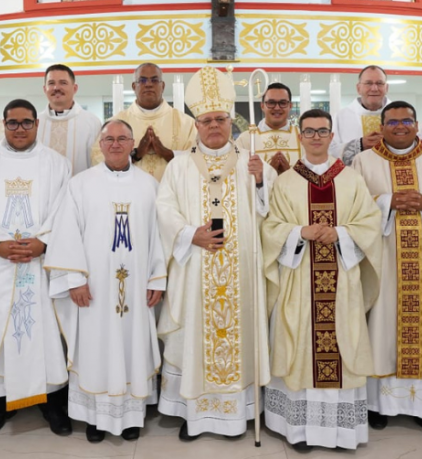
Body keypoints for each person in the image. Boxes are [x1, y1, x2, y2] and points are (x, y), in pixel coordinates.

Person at [156, 66, 276, 441]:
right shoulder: (178, 165)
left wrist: (260, 181)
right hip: (196, 268)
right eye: (206, 119)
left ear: (231, 121)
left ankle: (237, 415)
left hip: (240, 269)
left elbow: (268, 212)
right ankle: (197, 415)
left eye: (220, 119)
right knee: (195, 337)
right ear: (196, 124)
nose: (213, 126)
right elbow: (164, 210)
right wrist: (191, 234)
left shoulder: (251, 161)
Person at [262, 109, 382, 451]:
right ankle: (298, 430)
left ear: (332, 137)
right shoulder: (285, 181)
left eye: (322, 131)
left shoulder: (351, 179)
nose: (316, 137)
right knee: (299, 343)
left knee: (342, 343)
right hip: (299, 280)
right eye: (310, 131)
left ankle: (340, 433)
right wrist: (300, 231)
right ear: (300, 136)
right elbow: (269, 228)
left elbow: (370, 224)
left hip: (341, 282)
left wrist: (341, 233)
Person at [0, 99, 73, 436]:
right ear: (2, 125)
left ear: (37, 124)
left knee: (44, 332)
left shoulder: (56, 163)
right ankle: (0, 401)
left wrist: (43, 242)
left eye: (26, 123)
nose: (19, 129)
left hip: (40, 261)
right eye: (12, 123)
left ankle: (51, 400)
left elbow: (65, 209)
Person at [350, 101, 422, 430]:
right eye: (393, 122)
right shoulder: (363, 161)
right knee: (382, 327)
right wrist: (386, 203)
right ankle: (379, 405)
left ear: (417, 125)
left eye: (407, 121)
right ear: (381, 126)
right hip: (384, 264)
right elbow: (352, 207)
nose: (400, 127)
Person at [46, 119, 166, 443]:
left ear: (132, 144)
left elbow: (159, 236)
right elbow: (67, 234)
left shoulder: (149, 185)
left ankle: (130, 418)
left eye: (122, 138)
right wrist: (73, 279)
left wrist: (157, 278)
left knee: (132, 345)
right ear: (100, 145)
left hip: (137, 285)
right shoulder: (80, 184)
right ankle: (95, 419)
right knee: (95, 347)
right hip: (94, 288)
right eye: (109, 139)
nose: (115, 144)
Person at [92, 63, 197, 181]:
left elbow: (199, 158)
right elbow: (97, 159)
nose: (148, 85)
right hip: (129, 196)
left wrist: (168, 153)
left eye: (154, 80)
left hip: (174, 195)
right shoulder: (114, 124)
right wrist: (136, 155)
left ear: (162, 86)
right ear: (133, 86)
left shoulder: (186, 123)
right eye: (142, 80)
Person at [36, 64, 102, 175]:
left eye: (63, 83)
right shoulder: (34, 123)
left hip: (79, 190)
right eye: (51, 83)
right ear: (44, 89)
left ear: (74, 88)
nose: (56, 88)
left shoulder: (92, 122)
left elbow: (97, 162)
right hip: (43, 190)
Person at [234, 82, 303, 175]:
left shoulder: (303, 138)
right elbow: (238, 176)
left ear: (290, 105)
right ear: (262, 106)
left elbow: (312, 177)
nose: (277, 108)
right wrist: (268, 172)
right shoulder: (246, 139)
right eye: (271, 103)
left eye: (283, 103)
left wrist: (289, 174)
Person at [330, 65, 392, 165]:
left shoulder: (399, 115)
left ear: (386, 88)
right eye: (368, 83)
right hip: (354, 176)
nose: (374, 88)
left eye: (379, 83)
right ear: (358, 88)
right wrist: (360, 145)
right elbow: (329, 151)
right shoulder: (340, 117)